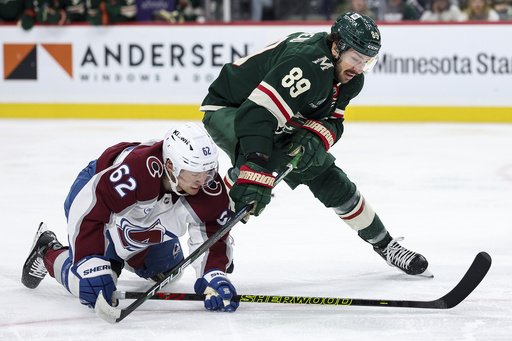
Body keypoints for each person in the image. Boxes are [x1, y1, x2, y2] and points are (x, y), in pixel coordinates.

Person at [200, 11, 432, 278]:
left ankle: (387, 245)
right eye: (356, 58)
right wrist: (255, 164)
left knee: (327, 175)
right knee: (254, 178)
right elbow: (257, 116)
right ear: (336, 47)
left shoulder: (350, 78)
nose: (359, 68)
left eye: (367, 62)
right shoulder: (306, 64)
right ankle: (211, 244)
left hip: (279, 114)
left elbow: (333, 121)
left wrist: (314, 138)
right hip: (232, 108)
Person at [21, 122, 238, 312]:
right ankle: (48, 249)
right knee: (94, 287)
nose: (204, 180)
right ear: (170, 166)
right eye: (195, 173)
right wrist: (91, 263)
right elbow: (90, 209)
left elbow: (212, 233)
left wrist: (213, 273)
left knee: (168, 271)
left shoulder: (207, 185)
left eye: (209, 171)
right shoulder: (137, 171)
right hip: (96, 204)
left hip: (144, 219)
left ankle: (118, 255)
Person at [17, 0, 86, 31]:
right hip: (41, 37)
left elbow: (80, 14)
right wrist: (29, 16)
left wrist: (63, 16)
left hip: (65, 38)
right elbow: (29, 10)